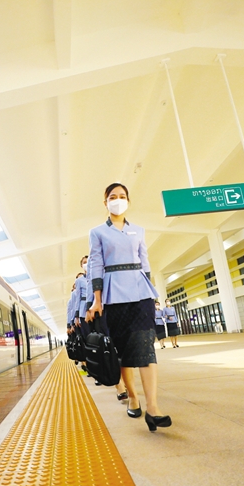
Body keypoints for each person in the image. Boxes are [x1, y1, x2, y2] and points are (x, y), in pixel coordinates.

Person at [86, 182, 171, 432]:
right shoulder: (97, 232)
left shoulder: (139, 231)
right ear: (105, 202)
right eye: (113, 196)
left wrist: (151, 290)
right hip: (114, 296)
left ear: (128, 201)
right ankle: (133, 397)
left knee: (146, 346)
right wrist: (97, 300)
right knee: (122, 351)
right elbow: (96, 265)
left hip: (141, 294)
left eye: (122, 196)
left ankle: (153, 408)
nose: (118, 200)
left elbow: (145, 263)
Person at [79, 255, 127, 400]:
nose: (87, 263)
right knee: (107, 347)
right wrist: (88, 310)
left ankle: (123, 382)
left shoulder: (106, 268)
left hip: (113, 307)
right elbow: (89, 291)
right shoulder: (86, 277)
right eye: (84, 262)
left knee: (120, 347)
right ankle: (119, 386)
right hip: (98, 311)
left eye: (88, 261)